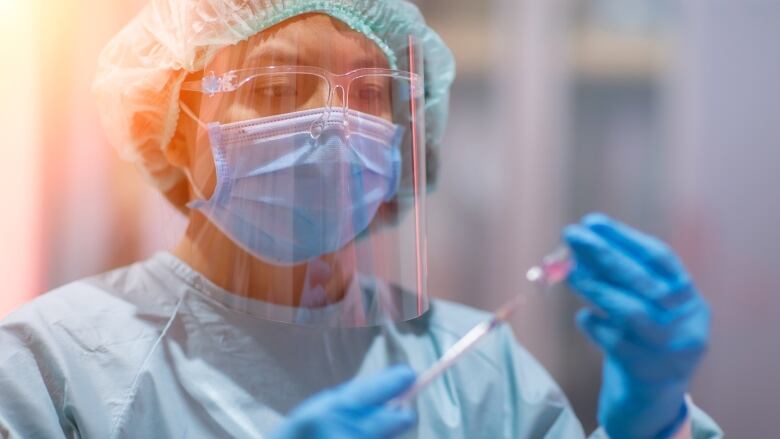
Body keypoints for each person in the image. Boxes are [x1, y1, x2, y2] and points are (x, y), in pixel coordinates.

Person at [0, 1, 722, 438]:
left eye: (371, 93)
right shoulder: (54, 365)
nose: (334, 124)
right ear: (177, 125)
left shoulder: (482, 374)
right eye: (280, 83)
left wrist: (654, 421)